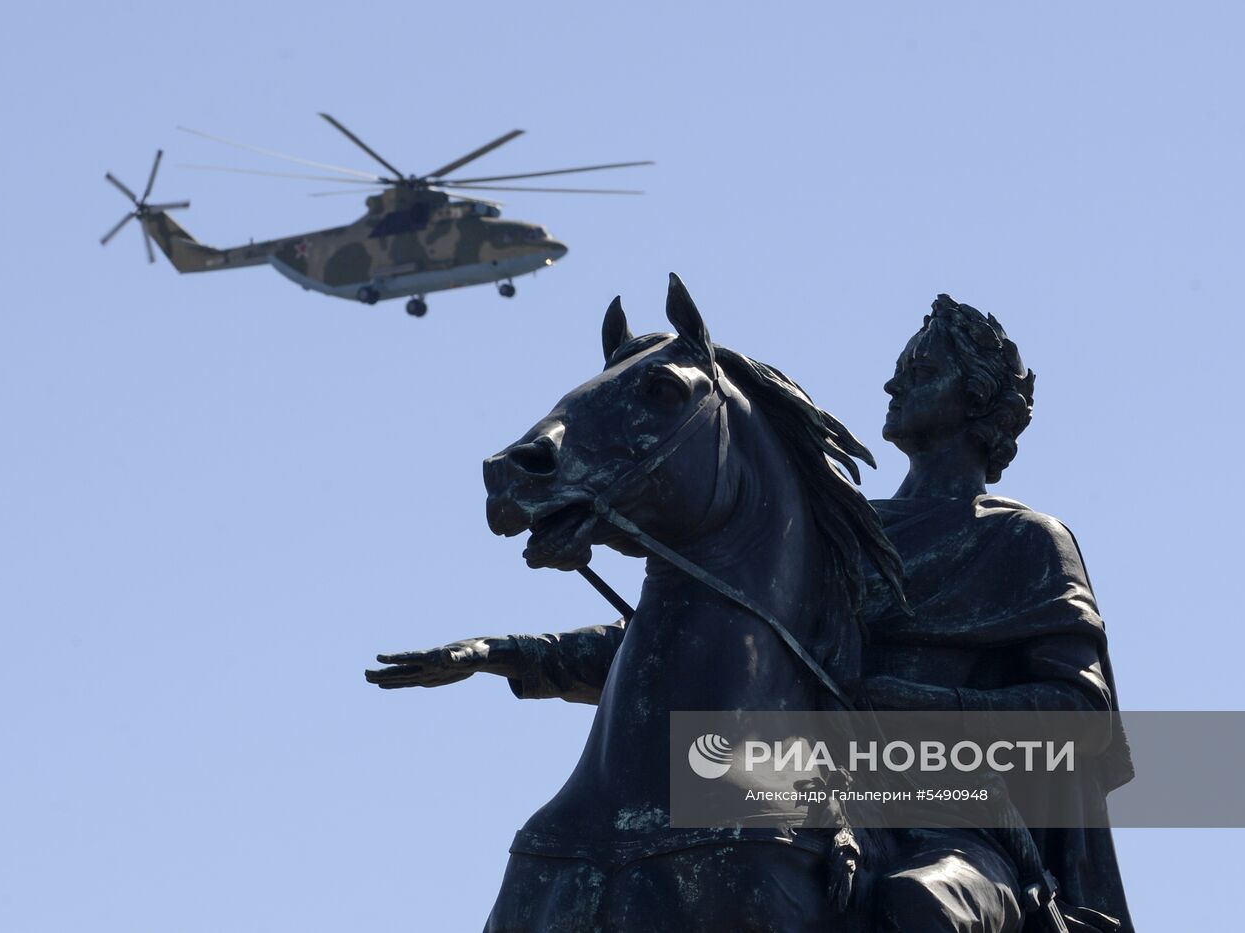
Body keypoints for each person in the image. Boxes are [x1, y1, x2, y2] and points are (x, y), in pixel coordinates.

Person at [369, 296, 1134, 931]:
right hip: (804, 780)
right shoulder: (843, 530)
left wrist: (916, 706)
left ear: (977, 402)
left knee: (922, 906)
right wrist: (511, 653)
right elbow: (697, 642)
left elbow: (1079, 716)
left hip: (954, 817)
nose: (894, 384)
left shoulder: (1024, 540)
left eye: (922, 370)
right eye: (900, 368)